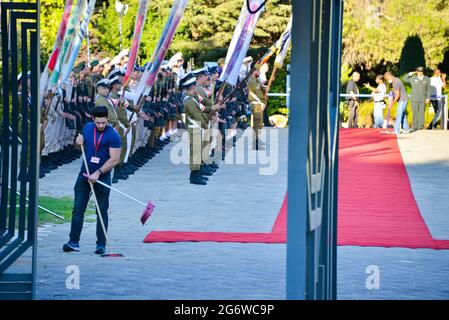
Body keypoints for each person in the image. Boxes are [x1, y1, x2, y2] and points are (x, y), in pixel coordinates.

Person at [63, 106, 121, 255]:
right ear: (93, 119)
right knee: (78, 209)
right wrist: (78, 142)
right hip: (84, 175)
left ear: (107, 119)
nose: (101, 125)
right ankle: (73, 241)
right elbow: (78, 148)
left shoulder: (113, 135)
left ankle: (101, 244)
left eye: (103, 122)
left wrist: (98, 172)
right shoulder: (87, 128)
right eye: (98, 122)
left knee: (101, 211)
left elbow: (114, 160)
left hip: (102, 177)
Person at [247, 68, 266, 150]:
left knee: (259, 122)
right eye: (257, 70)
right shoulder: (251, 80)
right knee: (258, 122)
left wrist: (265, 88)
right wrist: (260, 102)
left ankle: (257, 139)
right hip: (256, 103)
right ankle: (255, 141)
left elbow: (260, 88)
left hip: (259, 102)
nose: (259, 72)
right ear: (253, 71)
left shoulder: (256, 79)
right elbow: (252, 93)